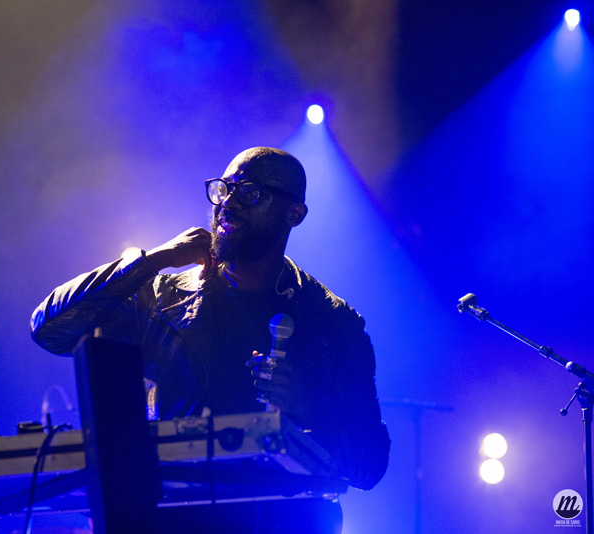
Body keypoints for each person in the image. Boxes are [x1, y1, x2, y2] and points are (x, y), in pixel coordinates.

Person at [30, 147, 390, 533]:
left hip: (282, 521)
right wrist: (152, 260)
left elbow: (369, 467)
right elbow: (49, 328)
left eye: (249, 192)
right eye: (224, 189)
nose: (227, 204)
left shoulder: (333, 322)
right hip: (171, 518)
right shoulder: (161, 297)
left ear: (294, 214)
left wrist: (308, 405)